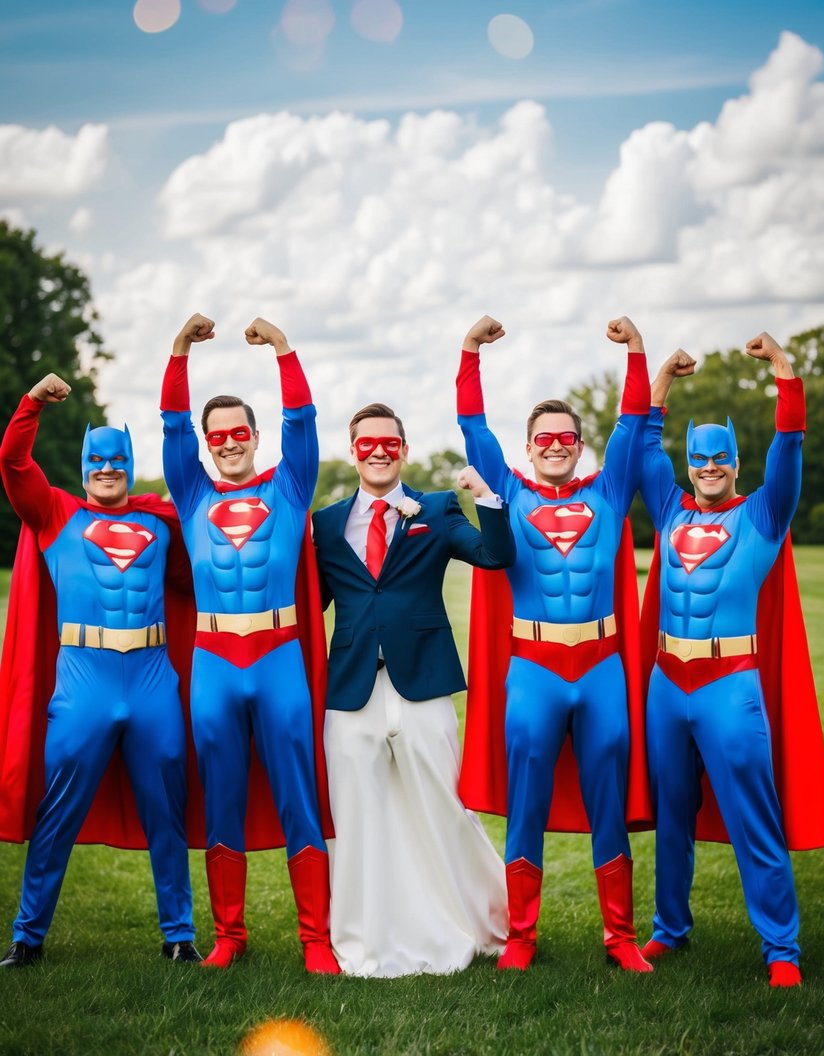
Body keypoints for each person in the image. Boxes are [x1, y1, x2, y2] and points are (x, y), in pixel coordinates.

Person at [455, 316, 653, 973]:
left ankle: (619, 938)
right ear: (530, 446)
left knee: (608, 803)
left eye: (567, 437)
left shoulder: (609, 490)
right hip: (533, 668)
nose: (556, 446)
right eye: (544, 439)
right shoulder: (507, 490)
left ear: (579, 445)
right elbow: (471, 428)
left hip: (599, 667)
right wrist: (470, 352)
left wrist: (634, 353)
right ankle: (520, 936)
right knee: (526, 805)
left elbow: (629, 426)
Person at [639, 333, 824, 988]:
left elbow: (789, 449)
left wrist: (783, 373)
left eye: (719, 456)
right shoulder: (667, 509)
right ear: (688, 464)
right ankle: (668, 928)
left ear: (736, 461)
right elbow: (639, 444)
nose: (709, 465)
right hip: (668, 682)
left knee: (754, 814)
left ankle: (780, 947)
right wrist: (659, 376)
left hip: (729, 683)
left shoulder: (762, 517)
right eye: (699, 458)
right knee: (670, 815)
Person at [0, 373, 199, 967]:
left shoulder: (162, 521)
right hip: (82, 678)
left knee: (167, 807)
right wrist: (32, 404)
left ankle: (179, 936)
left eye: (117, 459)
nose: (107, 468)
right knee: (56, 813)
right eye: (97, 459)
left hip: (152, 674)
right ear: (85, 465)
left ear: (131, 464)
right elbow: (12, 463)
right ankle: (27, 937)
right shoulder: (55, 513)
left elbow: (200, 572)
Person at [160, 313, 338, 973]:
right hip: (214, 664)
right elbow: (172, 429)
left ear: (256, 437)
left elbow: (304, 424)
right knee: (221, 797)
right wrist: (178, 352)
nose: (229, 442)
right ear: (208, 446)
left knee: (298, 795)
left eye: (240, 432)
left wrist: (284, 352)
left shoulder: (288, 489)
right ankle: (229, 935)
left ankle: (315, 939)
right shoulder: (192, 492)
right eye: (219, 436)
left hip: (278, 660)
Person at [312, 401, 515, 977]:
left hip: (423, 681)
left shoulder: (435, 508)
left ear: (403, 449)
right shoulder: (326, 525)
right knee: (353, 816)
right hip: (351, 688)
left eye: (390, 443)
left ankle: (492, 920)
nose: (378, 451)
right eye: (367, 443)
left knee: (446, 805)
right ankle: (359, 939)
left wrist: (488, 497)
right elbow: (313, 604)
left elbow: (494, 555)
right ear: (352, 450)